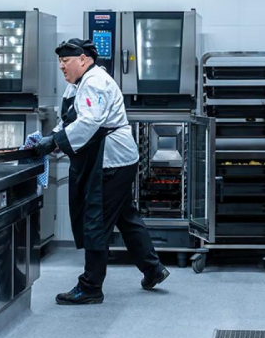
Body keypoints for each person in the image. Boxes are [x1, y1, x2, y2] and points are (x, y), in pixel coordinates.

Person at [34, 38, 169, 305]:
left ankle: (91, 286)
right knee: (125, 216)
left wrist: (55, 142)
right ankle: (153, 269)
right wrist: (52, 137)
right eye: (60, 61)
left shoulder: (95, 82)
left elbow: (89, 121)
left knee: (95, 219)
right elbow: (69, 120)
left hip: (111, 160)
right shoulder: (77, 84)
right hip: (114, 160)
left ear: (83, 60)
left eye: (66, 60)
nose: (61, 66)